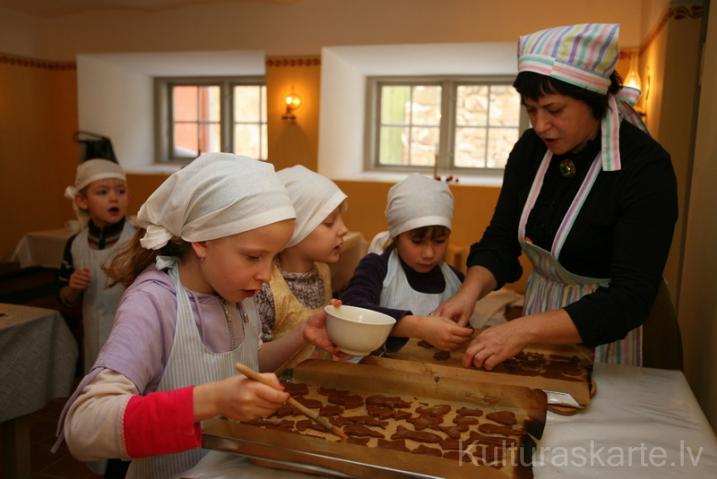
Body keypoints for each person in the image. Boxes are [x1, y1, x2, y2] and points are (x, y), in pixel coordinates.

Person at [53, 153, 343, 479]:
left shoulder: (236, 291)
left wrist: (300, 333)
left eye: (273, 258)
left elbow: (247, 362)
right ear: (202, 241)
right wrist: (212, 400)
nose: (265, 275)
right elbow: (84, 426)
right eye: (253, 256)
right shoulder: (153, 302)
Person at [435, 24, 678, 370]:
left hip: (607, 327)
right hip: (539, 313)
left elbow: (632, 297)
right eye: (531, 110)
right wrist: (468, 294)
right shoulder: (530, 151)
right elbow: (502, 240)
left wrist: (524, 329)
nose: (540, 125)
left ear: (592, 100)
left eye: (554, 110)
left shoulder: (644, 166)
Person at [341, 174, 474, 352]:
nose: (429, 253)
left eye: (440, 241)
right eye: (417, 242)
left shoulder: (456, 280)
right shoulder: (376, 268)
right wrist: (418, 327)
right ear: (396, 236)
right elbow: (351, 308)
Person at [253, 165, 348, 346]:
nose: (344, 229)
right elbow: (256, 358)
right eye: (329, 222)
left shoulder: (323, 271)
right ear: (294, 230)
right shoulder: (265, 287)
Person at [58, 158, 135, 373]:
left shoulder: (139, 239)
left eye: (121, 191)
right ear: (82, 201)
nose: (114, 198)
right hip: (93, 337)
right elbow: (64, 297)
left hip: (133, 333)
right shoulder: (75, 245)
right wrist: (73, 288)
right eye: (102, 192)